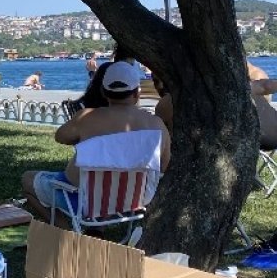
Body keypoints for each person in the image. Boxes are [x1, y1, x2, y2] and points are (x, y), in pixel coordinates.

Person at [22, 62, 171, 225]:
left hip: (86, 204)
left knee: (27, 178)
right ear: (137, 93)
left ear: (104, 92)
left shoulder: (86, 118)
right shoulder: (157, 125)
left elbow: (61, 137)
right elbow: (163, 166)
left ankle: (66, 230)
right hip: (135, 203)